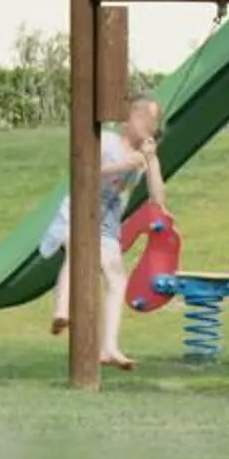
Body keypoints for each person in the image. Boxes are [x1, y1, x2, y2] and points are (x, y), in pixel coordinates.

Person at [44, 92, 165, 372]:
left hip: (107, 224)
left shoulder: (142, 157)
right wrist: (125, 165)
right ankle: (62, 310)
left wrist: (152, 161)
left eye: (154, 121)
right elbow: (84, 173)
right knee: (77, 247)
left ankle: (108, 347)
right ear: (129, 118)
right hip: (77, 211)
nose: (151, 126)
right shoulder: (107, 142)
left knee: (116, 276)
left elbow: (157, 199)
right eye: (146, 118)